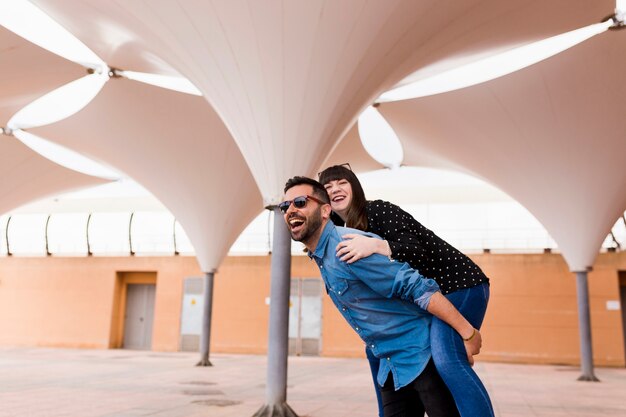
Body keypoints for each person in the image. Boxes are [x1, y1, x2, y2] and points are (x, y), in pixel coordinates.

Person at [280, 176, 482, 417]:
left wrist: (468, 333)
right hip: (391, 364)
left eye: (300, 202)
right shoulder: (322, 257)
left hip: (421, 355)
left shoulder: (347, 246)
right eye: (285, 206)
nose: (291, 210)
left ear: (325, 211)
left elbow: (418, 287)